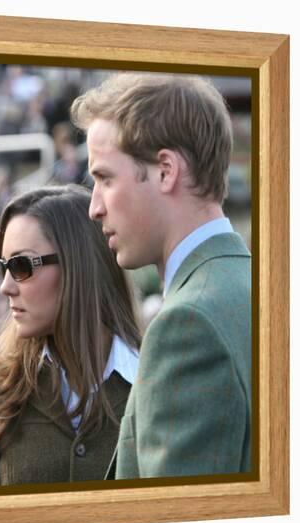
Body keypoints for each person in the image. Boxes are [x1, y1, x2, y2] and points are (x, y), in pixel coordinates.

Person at [71, 73, 251, 478]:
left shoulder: (189, 326)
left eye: (104, 178)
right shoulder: (258, 286)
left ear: (166, 171)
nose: (94, 207)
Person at [0, 184, 141, 486]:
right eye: (4, 267)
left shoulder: (155, 383)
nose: (5, 286)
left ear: (76, 267)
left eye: (21, 266)